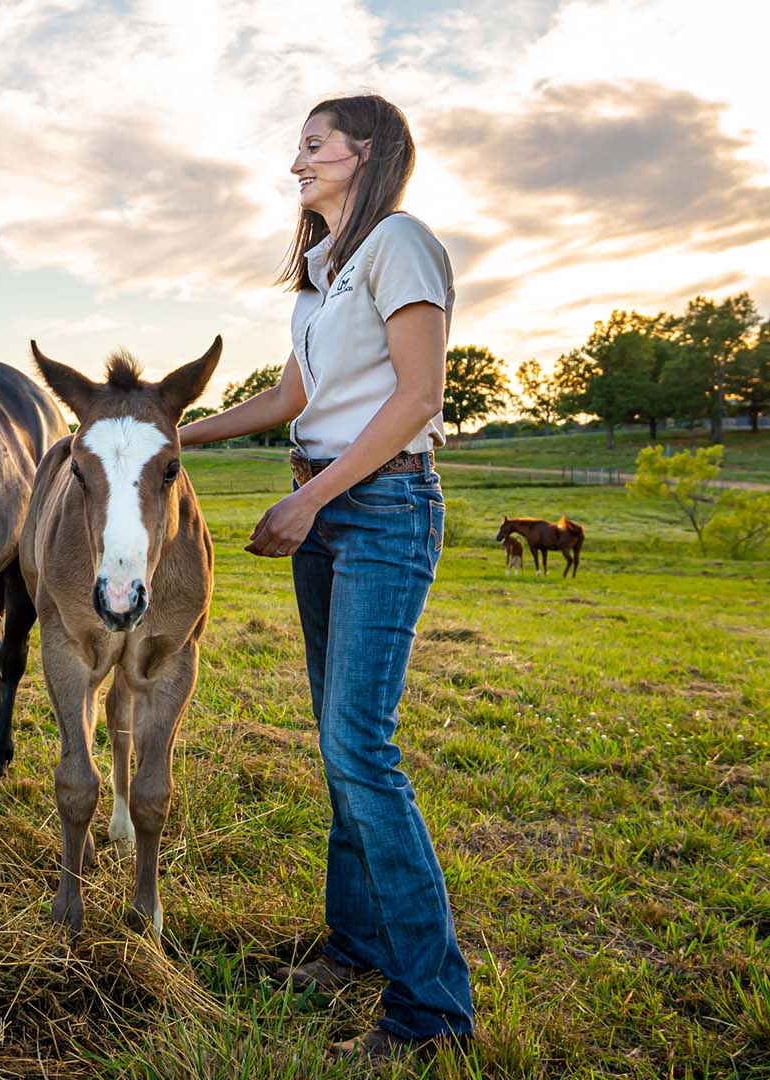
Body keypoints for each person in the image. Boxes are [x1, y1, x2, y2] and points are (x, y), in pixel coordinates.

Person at [179, 94, 474, 1059]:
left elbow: (417, 397)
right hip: (326, 502)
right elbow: (288, 397)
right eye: (296, 145)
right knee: (336, 741)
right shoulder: (320, 274)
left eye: (313, 144)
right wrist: (168, 433)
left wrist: (310, 502)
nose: (296, 159)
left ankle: (431, 1012)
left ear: (368, 151)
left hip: (382, 505)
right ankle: (352, 947)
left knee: (361, 749)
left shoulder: (401, 244)